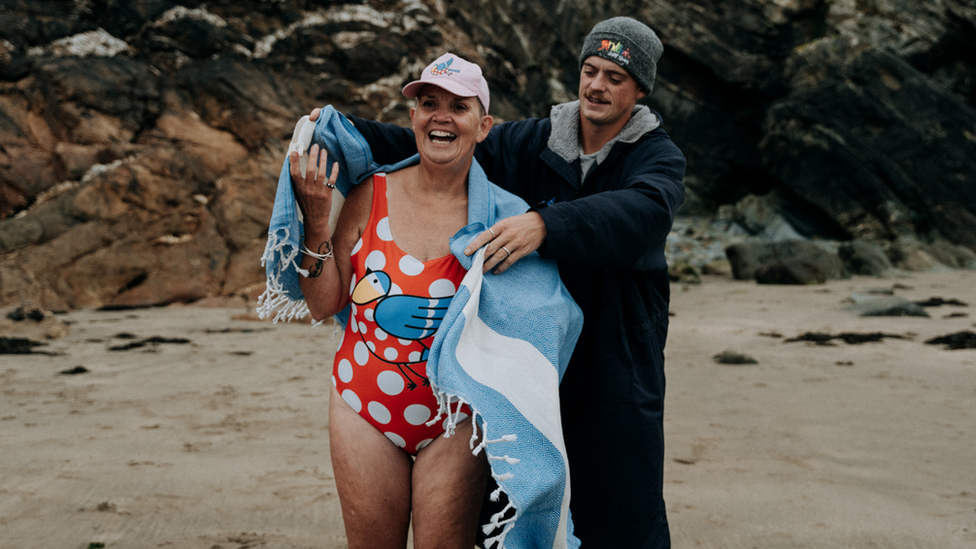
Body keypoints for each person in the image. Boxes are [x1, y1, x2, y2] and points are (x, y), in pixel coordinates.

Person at [313, 16, 686, 548]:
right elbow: (442, 138)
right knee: (505, 503)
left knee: (620, 510)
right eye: (590, 70)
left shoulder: (657, 156)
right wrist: (338, 128)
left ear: (640, 89)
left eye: (615, 77)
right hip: (519, 349)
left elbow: (643, 211)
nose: (597, 86)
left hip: (614, 358)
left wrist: (544, 224)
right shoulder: (533, 141)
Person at [279, 52, 583, 549]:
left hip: (457, 419)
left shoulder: (504, 220)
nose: (441, 115)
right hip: (362, 404)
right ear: (414, 118)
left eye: (457, 106)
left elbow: (549, 320)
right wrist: (316, 222)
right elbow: (323, 302)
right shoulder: (368, 195)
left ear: (482, 127)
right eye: (428, 103)